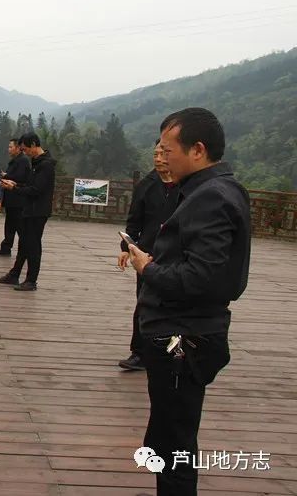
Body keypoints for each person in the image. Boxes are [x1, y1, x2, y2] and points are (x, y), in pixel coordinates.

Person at [128, 108, 251, 496]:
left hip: (184, 337)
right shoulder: (214, 189)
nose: (162, 157)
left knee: (176, 443)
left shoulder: (211, 197)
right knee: (168, 436)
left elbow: (203, 278)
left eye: (168, 149)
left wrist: (147, 268)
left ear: (197, 150)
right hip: (183, 334)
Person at [117, 140, 179, 371]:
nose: (159, 157)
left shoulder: (186, 185)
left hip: (176, 255)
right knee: (144, 303)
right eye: (156, 153)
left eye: (164, 153)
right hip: (147, 254)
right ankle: (139, 352)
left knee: (173, 305)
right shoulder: (147, 185)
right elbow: (134, 222)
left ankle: (171, 349)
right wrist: (125, 249)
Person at [0, 132, 56, 291]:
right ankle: (15, 274)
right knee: (24, 243)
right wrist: (14, 184)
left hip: (38, 211)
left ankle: (31, 280)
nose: (25, 152)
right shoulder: (36, 162)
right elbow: (29, 186)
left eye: (26, 149)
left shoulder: (46, 165)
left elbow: (36, 190)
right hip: (29, 209)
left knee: (34, 246)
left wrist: (14, 188)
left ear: (34, 145)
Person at [0, 138, 32, 256]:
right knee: (10, 225)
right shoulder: (16, 160)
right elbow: (14, 175)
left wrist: (7, 177)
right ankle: (6, 248)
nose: (9, 149)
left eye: (11, 147)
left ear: (17, 148)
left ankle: (26, 249)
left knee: (20, 226)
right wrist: (5, 175)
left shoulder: (23, 160)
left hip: (18, 199)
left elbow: (20, 177)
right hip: (12, 199)